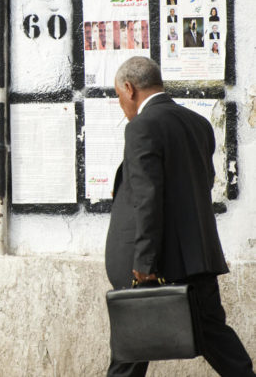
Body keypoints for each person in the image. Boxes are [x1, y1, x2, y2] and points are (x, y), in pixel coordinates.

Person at [106, 56, 256, 377]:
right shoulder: (197, 123)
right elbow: (200, 184)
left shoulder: (141, 127)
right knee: (216, 340)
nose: (122, 106)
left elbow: (147, 198)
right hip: (197, 259)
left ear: (129, 89)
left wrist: (144, 263)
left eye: (120, 97)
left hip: (161, 264)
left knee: (130, 349)